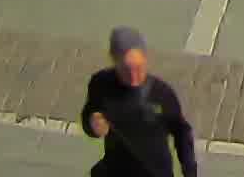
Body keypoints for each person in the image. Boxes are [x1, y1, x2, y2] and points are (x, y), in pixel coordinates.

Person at [81, 27, 197, 177]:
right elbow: (89, 114)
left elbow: (182, 133)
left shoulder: (161, 94)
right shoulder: (101, 84)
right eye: (126, 70)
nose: (134, 77)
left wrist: (190, 172)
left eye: (139, 68)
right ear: (114, 60)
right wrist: (92, 124)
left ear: (145, 59)